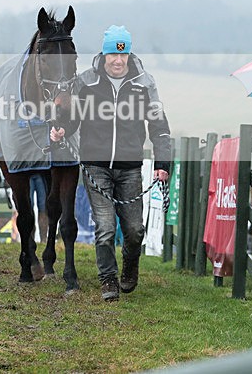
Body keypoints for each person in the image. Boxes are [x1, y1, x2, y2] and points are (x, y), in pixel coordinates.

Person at [51, 25, 171, 302]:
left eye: (123, 54)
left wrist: (162, 163)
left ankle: (130, 267)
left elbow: (159, 127)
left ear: (128, 54)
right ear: (104, 55)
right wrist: (61, 130)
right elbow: (72, 119)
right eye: (113, 55)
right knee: (104, 227)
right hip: (96, 166)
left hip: (129, 168)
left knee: (134, 230)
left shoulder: (144, 84)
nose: (118, 61)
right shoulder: (86, 82)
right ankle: (108, 279)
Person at [29, 173, 49, 242]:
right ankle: (33, 239)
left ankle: (43, 239)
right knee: (31, 208)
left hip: (39, 173)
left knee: (43, 208)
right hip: (33, 172)